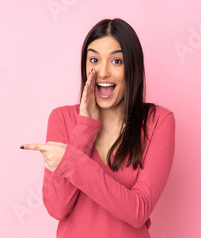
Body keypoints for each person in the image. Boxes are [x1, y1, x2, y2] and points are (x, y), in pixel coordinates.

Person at [21, 18, 175, 238]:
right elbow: (57, 208)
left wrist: (71, 161)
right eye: (94, 59)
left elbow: (138, 211)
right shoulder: (61, 118)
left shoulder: (158, 121)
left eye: (116, 61)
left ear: (134, 67)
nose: (102, 72)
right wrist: (85, 127)